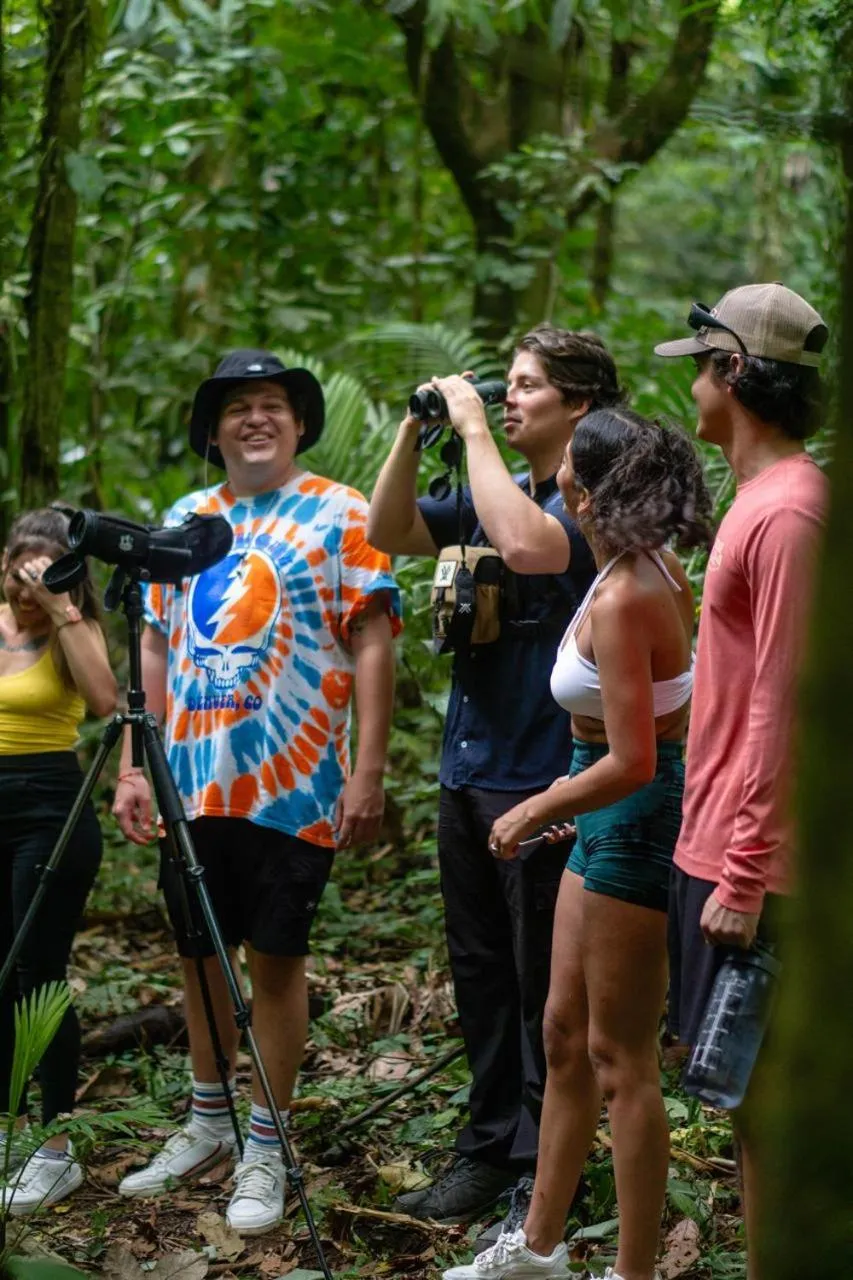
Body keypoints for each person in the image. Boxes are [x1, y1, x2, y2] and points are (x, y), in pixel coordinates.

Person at [113, 349, 400, 1235]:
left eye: (272, 404)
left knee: (276, 961)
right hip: (191, 780)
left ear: (299, 423)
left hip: (296, 782)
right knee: (199, 955)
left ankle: (267, 1143)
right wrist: (134, 762)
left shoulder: (343, 511)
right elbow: (155, 645)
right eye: (237, 408)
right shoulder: (184, 519)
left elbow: (375, 639)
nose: (256, 419)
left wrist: (368, 771)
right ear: (214, 430)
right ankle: (207, 1120)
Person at [440, 406, 712, 1280]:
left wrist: (529, 809)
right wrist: (572, 804)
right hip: (599, 810)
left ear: (581, 490)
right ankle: (538, 1249)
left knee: (619, 1058)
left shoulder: (633, 591)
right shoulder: (618, 572)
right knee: (562, 1032)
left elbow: (636, 759)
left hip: (629, 819)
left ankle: (631, 1271)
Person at [368, 326, 624, 1235]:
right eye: (501, 387)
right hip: (470, 764)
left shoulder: (596, 501)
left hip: (549, 778)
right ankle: (488, 1149)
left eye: (525, 387)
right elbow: (385, 528)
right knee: (479, 973)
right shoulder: (493, 489)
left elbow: (528, 551)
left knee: (544, 992)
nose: (507, 399)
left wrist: (473, 429)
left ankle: (547, 1173)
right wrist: (415, 429)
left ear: (579, 404)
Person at [654, 283, 828, 1280]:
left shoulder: (791, 513)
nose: (695, 386)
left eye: (702, 366)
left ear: (735, 375)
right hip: (720, 842)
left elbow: (785, 701)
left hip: (760, 867)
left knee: (779, 1112)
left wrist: (746, 866)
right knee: (750, 1113)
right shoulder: (757, 499)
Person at [0, 508, 117, 1214]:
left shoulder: (76, 629)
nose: (25, 592)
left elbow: (105, 701)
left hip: (52, 812)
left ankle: (55, 1147)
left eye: (41, 575)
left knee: (37, 974)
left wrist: (60, 607)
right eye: (18, 574)